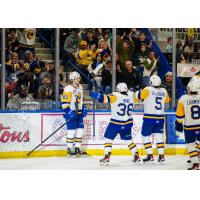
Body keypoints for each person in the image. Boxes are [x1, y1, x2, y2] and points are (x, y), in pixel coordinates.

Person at [89, 82, 141, 165]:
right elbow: (139, 96)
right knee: (129, 141)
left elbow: (103, 99)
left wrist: (95, 94)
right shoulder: (131, 96)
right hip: (128, 123)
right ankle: (136, 155)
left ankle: (107, 156)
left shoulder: (116, 95)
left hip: (116, 123)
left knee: (108, 139)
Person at [134, 75, 170, 163]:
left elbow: (136, 97)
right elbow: (167, 101)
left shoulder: (147, 89)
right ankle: (161, 156)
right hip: (160, 117)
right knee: (159, 137)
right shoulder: (164, 91)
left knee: (145, 137)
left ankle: (150, 155)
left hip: (149, 117)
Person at [175, 78, 200, 170]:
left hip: (189, 127)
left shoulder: (183, 98)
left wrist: (178, 125)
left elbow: (179, 116)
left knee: (191, 145)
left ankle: (195, 164)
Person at [60, 72, 87, 157]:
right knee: (71, 132)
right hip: (70, 113)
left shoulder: (80, 87)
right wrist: (69, 112)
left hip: (78, 113)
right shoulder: (68, 88)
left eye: (79, 78)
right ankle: (69, 149)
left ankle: (78, 148)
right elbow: (64, 103)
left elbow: (81, 100)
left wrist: (83, 108)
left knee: (80, 131)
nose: (79, 79)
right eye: (77, 78)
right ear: (72, 79)